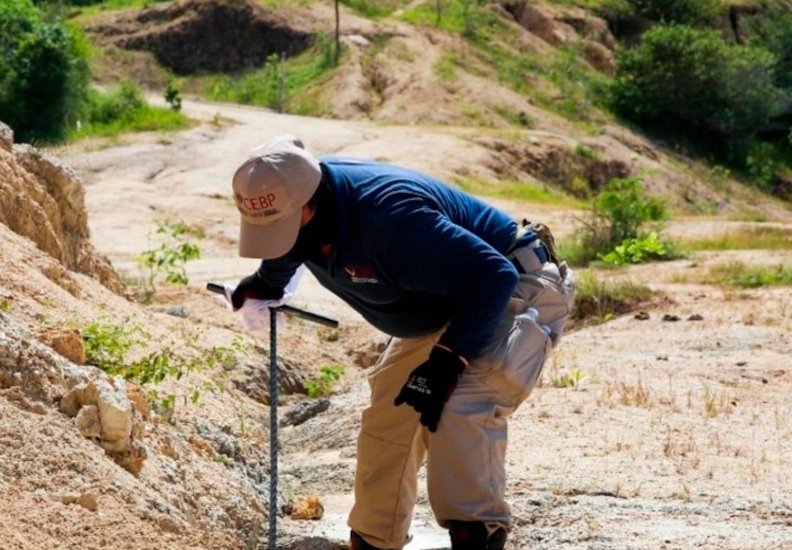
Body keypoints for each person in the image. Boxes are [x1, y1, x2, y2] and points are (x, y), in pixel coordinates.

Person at [227, 135, 575, 550]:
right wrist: (268, 282)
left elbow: (491, 275)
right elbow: (289, 241)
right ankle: (375, 540)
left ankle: (476, 533)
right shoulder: (297, 196)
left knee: (458, 404)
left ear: (312, 202)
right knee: (389, 416)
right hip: (447, 299)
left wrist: (449, 358)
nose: (280, 238)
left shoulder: (390, 221)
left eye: (285, 226)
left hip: (511, 287)